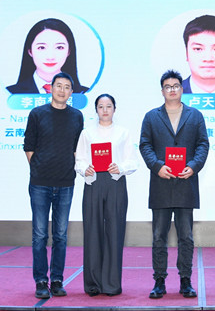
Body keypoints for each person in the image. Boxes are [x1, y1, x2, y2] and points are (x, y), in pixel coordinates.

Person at [139, 70, 210, 299]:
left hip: (185, 184)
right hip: (161, 183)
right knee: (158, 236)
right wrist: (157, 165)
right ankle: (159, 281)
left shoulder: (195, 115)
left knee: (186, 237)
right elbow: (145, 145)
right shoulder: (151, 117)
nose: (172, 90)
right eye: (168, 86)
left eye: (176, 86)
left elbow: (203, 145)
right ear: (162, 91)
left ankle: (185, 280)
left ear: (182, 88)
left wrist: (194, 166)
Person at [23, 72, 84, 299]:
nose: (62, 90)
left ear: (71, 92)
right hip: (40, 183)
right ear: (51, 88)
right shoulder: (37, 114)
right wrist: (39, 169)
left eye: (67, 87)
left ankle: (57, 280)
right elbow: (29, 146)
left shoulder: (77, 116)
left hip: (66, 183)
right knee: (39, 235)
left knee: (60, 236)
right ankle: (41, 281)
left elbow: (77, 149)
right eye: (59, 86)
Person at [75, 94, 138, 296]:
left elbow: (132, 161)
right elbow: (79, 159)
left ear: (114, 109)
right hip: (93, 183)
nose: (104, 110)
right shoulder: (87, 133)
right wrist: (85, 168)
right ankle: (93, 283)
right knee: (92, 231)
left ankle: (111, 284)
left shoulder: (123, 133)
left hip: (115, 182)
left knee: (115, 232)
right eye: (101, 106)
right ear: (96, 109)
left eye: (108, 106)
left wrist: (120, 167)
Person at [7, 18, 89, 94]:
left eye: (59, 47)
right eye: (41, 47)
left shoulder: (84, 94)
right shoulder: (11, 93)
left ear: (69, 51)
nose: (50, 57)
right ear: (30, 51)